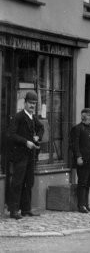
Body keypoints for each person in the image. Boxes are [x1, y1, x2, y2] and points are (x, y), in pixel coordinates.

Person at [7, 90, 44, 220]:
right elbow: (11, 135)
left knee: (29, 182)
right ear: (25, 103)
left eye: (34, 103)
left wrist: (37, 137)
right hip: (20, 155)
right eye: (30, 103)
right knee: (17, 182)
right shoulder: (19, 117)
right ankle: (14, 210)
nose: (32, 106)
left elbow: (41, 128)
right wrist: (26, 142)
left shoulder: (33, 118)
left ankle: (26, 209)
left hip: (31, 156)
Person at [71, 108, 90, 213]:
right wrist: (78, 157)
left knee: (89, 182)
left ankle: (86, 205)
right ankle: (81, 206)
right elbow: (74, 145)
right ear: (83, 116)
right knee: (82, 183)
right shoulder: (77, 128)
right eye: (89, 115)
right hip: (84, 160)